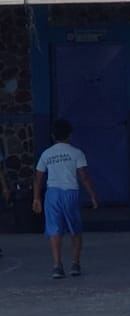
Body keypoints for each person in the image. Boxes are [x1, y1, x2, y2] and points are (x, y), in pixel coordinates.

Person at [33, 119, 99, 279]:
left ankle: (57, 266)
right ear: (70, 135)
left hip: (52, 194)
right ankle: (75, 264)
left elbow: (38, 178)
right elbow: (84, 177)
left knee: (54, 230)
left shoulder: (46, 154)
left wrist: (36, 198)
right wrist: (92, 196)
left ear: (53, 135)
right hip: (70, 193)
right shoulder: (76, 153)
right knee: (75, 229)